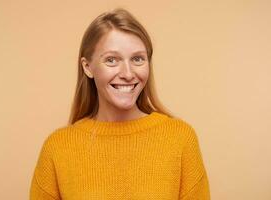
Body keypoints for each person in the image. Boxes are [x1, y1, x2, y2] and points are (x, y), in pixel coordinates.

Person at [29, 8, 210, 200]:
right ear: (87, 67)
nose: (128, 73)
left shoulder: (180, 139)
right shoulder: (57, 148)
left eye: (137, 59)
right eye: (112, 60)